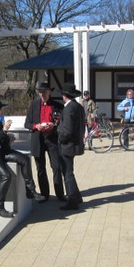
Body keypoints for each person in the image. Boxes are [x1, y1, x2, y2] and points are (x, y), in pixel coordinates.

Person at [0, 98, 45, 218]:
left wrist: (6, 139)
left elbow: (0, 140)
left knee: (25, 159)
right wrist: (4, 132)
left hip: (0, 151)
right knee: (6, 176)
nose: (2, 111)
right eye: (1, 109)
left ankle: (30, 191)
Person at [24, 82, 66, 202]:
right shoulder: (33, 105)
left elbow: (63, 123)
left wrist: (54, 125)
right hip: (38, 140)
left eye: (44, 92)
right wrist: (36, 126)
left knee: (56, 167)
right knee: (41, 169)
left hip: (52, 139)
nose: (42, 94)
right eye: (40, 92)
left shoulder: (57, 106)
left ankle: (60, 194)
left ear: (49, 92)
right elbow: (27, 124)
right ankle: (44, 194)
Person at [57, 83, 86, 211]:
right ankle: (77, 197)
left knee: (67, 173)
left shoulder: (69, 108)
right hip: (75, 143)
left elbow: (67, 130)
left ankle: (73, 200)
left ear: (64, 95)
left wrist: (59, 138)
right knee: (69, 171)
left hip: (67, 145)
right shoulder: (78, 106)